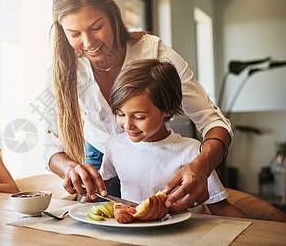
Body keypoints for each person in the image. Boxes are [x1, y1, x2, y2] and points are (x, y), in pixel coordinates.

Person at [44, 0, 232, 212]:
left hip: (159, 156)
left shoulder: (154, 52)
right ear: (62, 31)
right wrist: (71, 168)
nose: (89, 42)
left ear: (112, 15)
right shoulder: (61, 72)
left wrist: (201, 166)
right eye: (74, 34)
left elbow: (212, 120)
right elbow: (49, 143)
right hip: (102, 161)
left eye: (96, 27)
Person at [99, 59, 247, 218]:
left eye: (139, 117)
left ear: (167, 110)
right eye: (120, 114)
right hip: (135, 235)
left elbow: (221, 207)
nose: (127, 125)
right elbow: (100, 190)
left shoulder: (191, 151)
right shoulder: (114, 145)